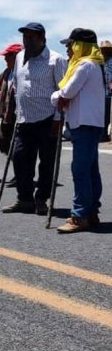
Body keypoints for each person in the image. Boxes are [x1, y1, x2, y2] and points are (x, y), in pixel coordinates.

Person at [0, 22, 67, 216]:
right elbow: (18, 86)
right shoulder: (20, 56)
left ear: (42, 39)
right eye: (25, 37)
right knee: (20, 159)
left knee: (46, 162)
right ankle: (24, 199)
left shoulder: (56, 60)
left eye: (31, 37)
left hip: (47, 119)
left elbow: (62, 92)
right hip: (24, 119)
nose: (26, 41)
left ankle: (41, 199)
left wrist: (57, 119)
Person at [51, 28, 106, 233]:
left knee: (80, 170)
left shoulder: (84, 65)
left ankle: (80, 215)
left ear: (80, 45)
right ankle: (91, 211)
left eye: (70, 45)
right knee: (91, 169)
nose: (67, 49)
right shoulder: (95, 66)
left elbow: (67, 92)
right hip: (91, 122)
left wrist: (55, 96)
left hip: (83, 123)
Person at [101, 39, 112, 141]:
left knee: (107, 115)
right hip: (103, 93)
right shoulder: (102, 62)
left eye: (107, 49)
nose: (105, 51)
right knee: (104, 115)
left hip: (109, 92)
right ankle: (104, 135)